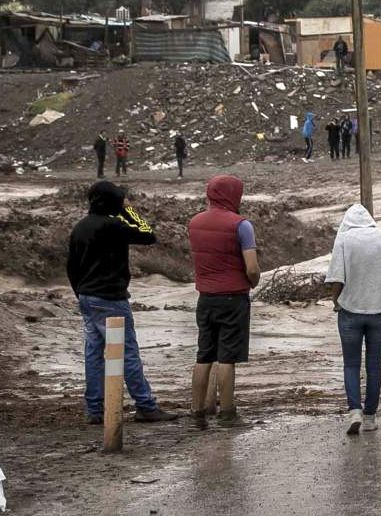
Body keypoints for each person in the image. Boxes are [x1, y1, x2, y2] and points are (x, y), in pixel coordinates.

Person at [68, 181, 178, 425]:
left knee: (94, 353)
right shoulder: (113, 226)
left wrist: (80, 293)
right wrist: (129, 210)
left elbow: (72, 267)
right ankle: (145, 405)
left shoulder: (80, 227)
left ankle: (95, 410)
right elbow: (148, 234)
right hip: (111, 298)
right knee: (128, 352)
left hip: (87, 297)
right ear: (113, 201)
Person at [326, 204, 381, 435]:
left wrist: (335, 301)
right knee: (374, 365)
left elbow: (336, 278)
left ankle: (355, 410)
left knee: (351, 364)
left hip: (350, 312)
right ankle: (371, 416)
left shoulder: (344, 240)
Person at [188, 175, 260, 429]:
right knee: (227, 356)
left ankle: (198, 411)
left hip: (205, 297)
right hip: (233, 297)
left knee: (204, 354)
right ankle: (227, 412)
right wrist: (254, 281)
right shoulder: (241, 225)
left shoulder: (194, 223)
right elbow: (251, 266)